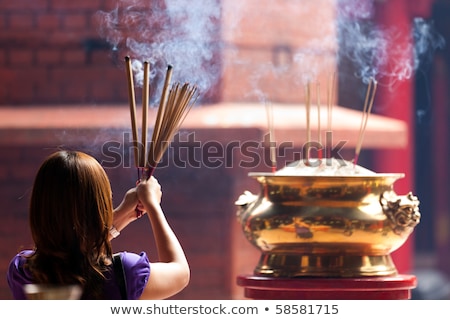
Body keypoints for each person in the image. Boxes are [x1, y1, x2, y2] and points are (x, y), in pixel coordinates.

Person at [6, 150, 190, 299]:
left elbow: (74, 251)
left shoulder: (22, 271)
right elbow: (180, 273)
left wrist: (123, 213)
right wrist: (152, 205)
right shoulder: (125, 273)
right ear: (99, 206)